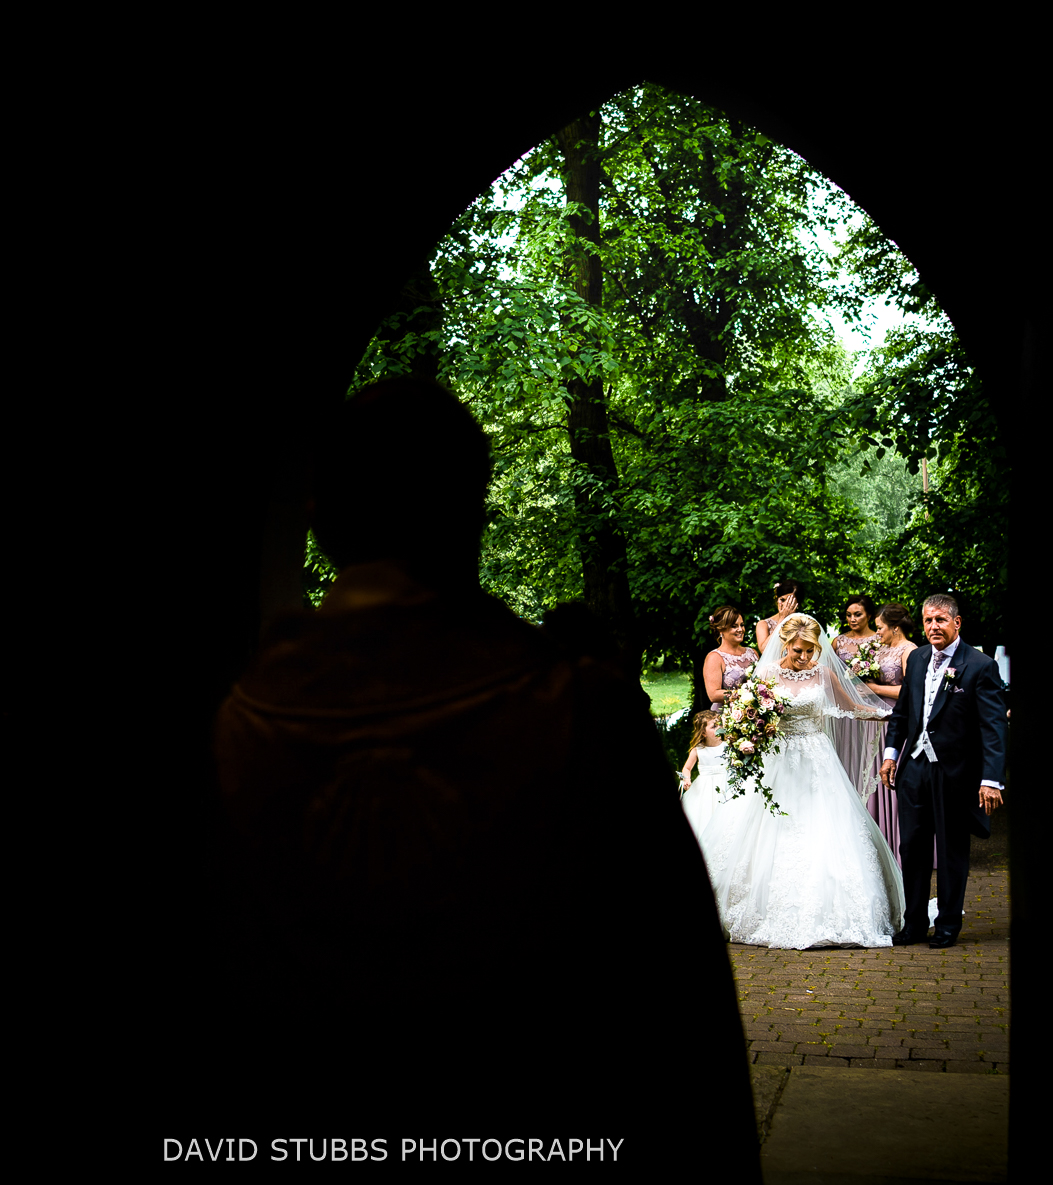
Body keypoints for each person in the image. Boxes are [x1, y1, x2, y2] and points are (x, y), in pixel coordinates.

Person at [211, 376, 759, 1150]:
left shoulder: (229, 732)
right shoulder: (581, 710)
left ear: (318, 522)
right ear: (474, 510)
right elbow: (678, 1008)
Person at [698, 613, 906, 949]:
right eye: (798, 650)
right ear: (785, 644)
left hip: (817, 758)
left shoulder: (823, 673)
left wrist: (891, 713)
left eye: (810, 650)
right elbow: (745, 712)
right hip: (778, 759)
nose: (805, 657)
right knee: (767, 828)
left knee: (825, 826)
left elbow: (853, 706)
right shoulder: (766, 673)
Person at [879, 594, 1008, 948]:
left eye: (940, 620)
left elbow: (994, 728)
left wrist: (991, 780)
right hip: (914, 770)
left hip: (956, 774)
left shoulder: (980, 665)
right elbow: (903, 714)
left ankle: (949, 925)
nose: (933, 627)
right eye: (928, 621)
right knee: (913, 849)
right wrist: (891, 755)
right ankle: (914, 924)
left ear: (956, 623)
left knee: (951, 851)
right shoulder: (918, 659)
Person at [858, 603, 918, 863]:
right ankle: (882, 841)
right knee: (875, 780)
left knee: (895, 778)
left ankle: (901, 841)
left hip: (897, 721)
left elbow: (910, 691)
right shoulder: (880, 649)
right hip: (876, 720)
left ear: (895, 628)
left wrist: (875, 688)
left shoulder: (910, 650)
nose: (877, 632)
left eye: (880, 628)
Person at [829, 594, 880, 798]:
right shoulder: (838, 642)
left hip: (871, 703)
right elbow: (829, 673)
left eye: (857, 614)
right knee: (847, 752)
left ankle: (871, 800)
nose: (852, 619)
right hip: (846, 707)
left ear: (869, 615)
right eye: (849, 615)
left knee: (869, 754)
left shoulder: (879, 640)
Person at [678, 709, 726, 843]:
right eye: (714, 726)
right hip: (705, 788)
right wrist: (686, 779)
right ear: (703, 733)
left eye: (719, 724)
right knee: (705, 816)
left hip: (725, 784)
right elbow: (687, 768)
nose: (719, 728)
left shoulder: (727, 746)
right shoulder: (698, 750)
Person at [701, 605, 759, 715]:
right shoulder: (714, 657)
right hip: (727, 716)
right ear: (720, 630)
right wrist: (745, 695)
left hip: (755, 715)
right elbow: (713, 694)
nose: (740, 629)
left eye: (742, 625)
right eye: (734, 626)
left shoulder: (752, 653)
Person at [754, 579, 802, 652]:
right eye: (782, 600)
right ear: (777, 599)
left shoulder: (804, 623)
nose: (785, 605)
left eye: (790, 601)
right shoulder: (764, 624)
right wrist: (782, 620)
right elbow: (764, 650)